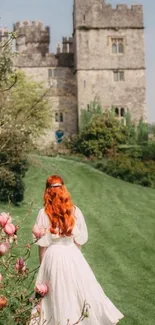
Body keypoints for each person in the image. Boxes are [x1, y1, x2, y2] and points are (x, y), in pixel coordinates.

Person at [31, 175, 124, 325]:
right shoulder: (74, 211)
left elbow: (43, 245)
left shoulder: (43, 213)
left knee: (56, 292)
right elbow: (79, 240)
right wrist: (77, 259)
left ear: (47, 191)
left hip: (53, 256)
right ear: (64, 189)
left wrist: (43, 267)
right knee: (78, 290)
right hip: (72, 253)